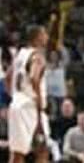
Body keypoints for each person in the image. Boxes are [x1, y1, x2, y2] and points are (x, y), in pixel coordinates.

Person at [7, 25, 50, 163]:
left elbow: (8, 77)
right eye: (44, 34)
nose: (47, 37)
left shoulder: (20, 54)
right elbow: (34, 77)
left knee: (18, 153)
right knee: (42, 149)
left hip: (17, 104)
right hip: (30, 106)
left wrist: (14, 96)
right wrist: (39, 100)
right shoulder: (37, 56)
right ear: (37, 38)